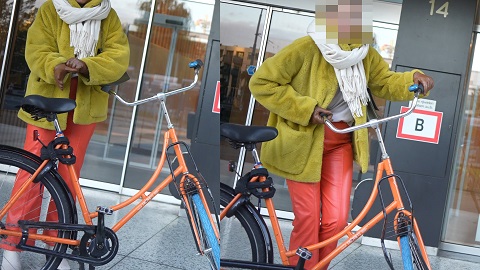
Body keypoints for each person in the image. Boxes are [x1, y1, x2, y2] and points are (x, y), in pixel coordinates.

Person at [249, 19, 434, 270]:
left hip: (341, 141)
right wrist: (307, 109)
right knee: (308, 218)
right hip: (303, 142)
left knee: (336, 221)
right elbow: (261, 82)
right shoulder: (307, 48)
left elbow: (385, 81)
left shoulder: (364, 55)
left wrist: (412, 77)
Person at [0, 0, 130, 269]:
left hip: (85, 108)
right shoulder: (51, 8)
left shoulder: (109, 16)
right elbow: (36, 49)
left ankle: (59, 245)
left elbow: (118, 56)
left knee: (70, 176)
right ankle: (12, 244)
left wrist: (86, 66)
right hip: (47, 102)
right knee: (31, 173)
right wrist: (56, 64)